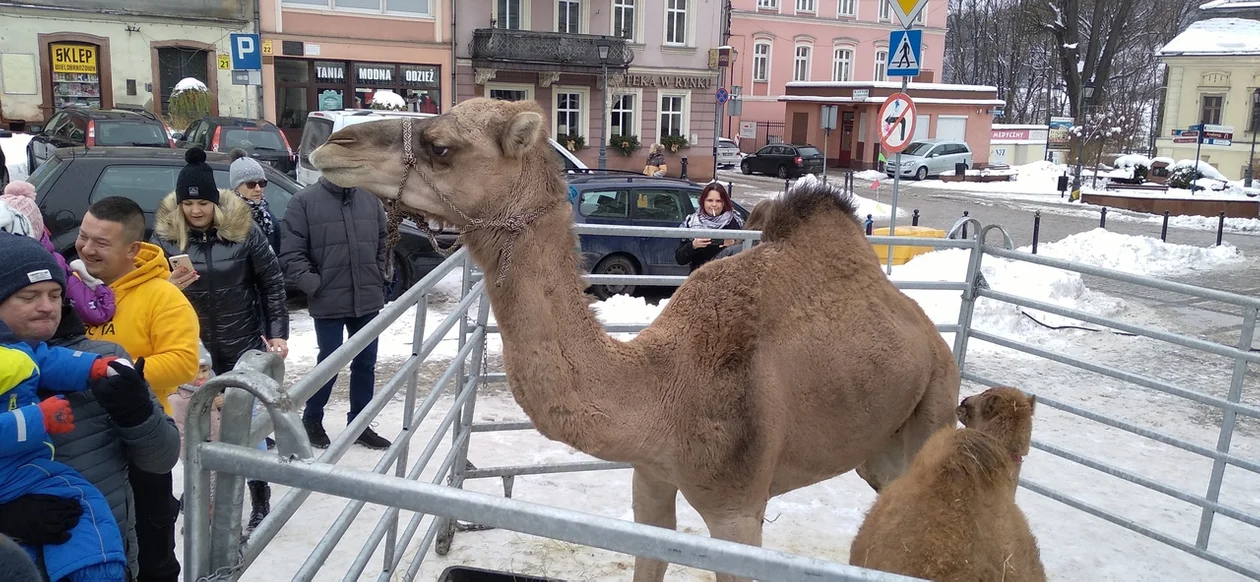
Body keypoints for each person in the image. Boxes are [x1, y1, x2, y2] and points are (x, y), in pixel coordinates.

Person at [0, 232, 178, 581]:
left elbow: (162, 458)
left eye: (54, 294)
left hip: (100, 557)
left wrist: (136, 412)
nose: (46, 306)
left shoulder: (102, 359)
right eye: (29, 296)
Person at [152, 147, 287, 530]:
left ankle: (259, 493)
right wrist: (168, 285)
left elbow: (271, 282)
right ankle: (197, 492)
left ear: (216, 201)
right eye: (189, 203)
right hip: (190, 350)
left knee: (245, 423)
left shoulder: (244, 230)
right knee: (192, 422)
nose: (196, 211)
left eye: (203, 202)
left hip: (241, 342)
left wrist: (277, 332)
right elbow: (147, 292)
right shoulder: (165, 238)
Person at [76, 195, 199, 582]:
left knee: (152, 550)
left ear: (132, 249)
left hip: (141, 440)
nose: (86, 248)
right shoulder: (70, 286)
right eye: (83, 236)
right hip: (81, 445)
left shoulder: (162, 296)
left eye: (101, 242)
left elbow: (183, 362)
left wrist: (118, 377)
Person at [280, 176, 392, 450]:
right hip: (328, 299)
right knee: (329, 363)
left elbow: (382, 241)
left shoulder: (369, 200)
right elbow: (291, 253)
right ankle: (312, 419)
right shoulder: (303, 202)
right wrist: (313, 284)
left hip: (366, 297)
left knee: (366, 364)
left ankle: (360, 424)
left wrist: (378, 274)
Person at [1, 180, 116, 326]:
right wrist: (96, 285)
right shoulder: (53, 264)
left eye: (54, 296)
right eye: (29, 297)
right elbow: (99, 312)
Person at [674, 182, 746, 272]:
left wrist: (734, 244)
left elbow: (747, 254)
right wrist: (693, 245)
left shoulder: (735, 221)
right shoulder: (692, 222)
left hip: (727, 277)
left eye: (718, 201)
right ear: (703, 201)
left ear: (724, 203)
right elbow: (680, 259)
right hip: (700, 277)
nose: (714, 205)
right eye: (710, 200)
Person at [227, 149, 281, 253]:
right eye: (251, 184)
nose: (258, 189)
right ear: (237, 186)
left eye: (262, 183)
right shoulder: (227, 216)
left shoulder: (266, 215)